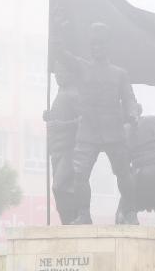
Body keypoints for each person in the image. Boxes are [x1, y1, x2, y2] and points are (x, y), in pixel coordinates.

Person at [53, 22, 139, 225]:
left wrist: (133, 114)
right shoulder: (82, 67)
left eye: (100, 44)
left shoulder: (120, 74)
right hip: (88, 131)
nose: (96, 48)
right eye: (93, 44)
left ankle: (130, 211)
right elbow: (60, 54)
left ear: (108, 46)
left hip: (113, 130)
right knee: (80, 174)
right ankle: (84, 214)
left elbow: (129, 99)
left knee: (124, 174)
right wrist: (57, 29)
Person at [43, 60, 90, 224]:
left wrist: (62, 125)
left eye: (62, 72)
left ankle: (76, 217)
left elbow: (85, 119)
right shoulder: (59, 93)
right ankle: (69, 221)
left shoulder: (73, 93)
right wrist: (49, 117)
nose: (58, 76)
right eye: (56, 73)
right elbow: (60, 116)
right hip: (56, 149)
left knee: (59, 185)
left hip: (70, 149)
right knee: (63, 188)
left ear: (70, 74)